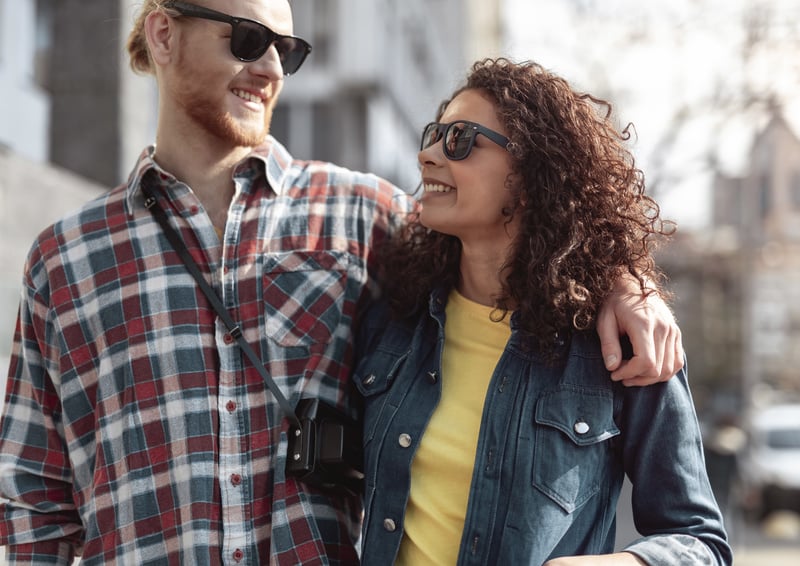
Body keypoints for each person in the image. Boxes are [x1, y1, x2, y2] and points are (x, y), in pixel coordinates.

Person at [0, 2, 683, 564]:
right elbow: (35, 497)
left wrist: (629, 282)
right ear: (163, 32)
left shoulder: (363, 215)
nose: (269, 67)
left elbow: (527, 235)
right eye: (248, 39)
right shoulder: (66, 259)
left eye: (287, 51)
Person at [354, 58, 731, 565]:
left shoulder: (622, 342)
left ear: (531, 174)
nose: (428, 155)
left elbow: (699, 541)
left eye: (461, 139)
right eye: (433, 134)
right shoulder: (394, 313)